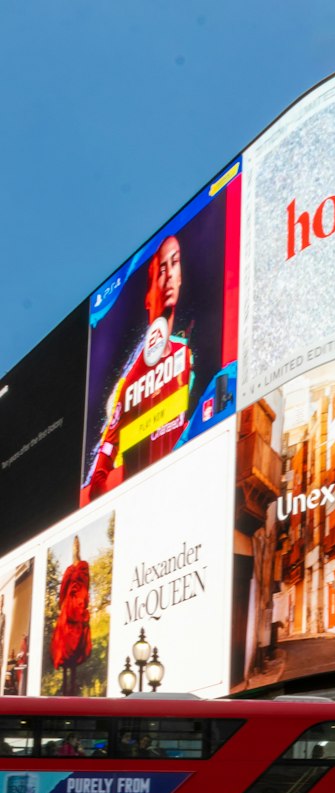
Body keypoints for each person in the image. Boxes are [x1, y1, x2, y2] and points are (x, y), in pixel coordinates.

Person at [83, 234, 194, 500]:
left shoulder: (186, 356)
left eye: (175, 263)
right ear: (147, 296)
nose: (168, 276)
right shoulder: (131, 382)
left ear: (181, 278)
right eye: (161, 270)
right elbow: (102, 464)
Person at [50, 536, 92, 695]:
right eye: (74, 546)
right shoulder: (69, 570)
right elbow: (63, 591)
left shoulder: (83, 567)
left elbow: (85, 586)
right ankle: (65, 683)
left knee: (76, 647)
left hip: (78, 607)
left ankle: (72, 685)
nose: (76, 548)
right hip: (69, 611)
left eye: (77, 545)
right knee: (65, 646)